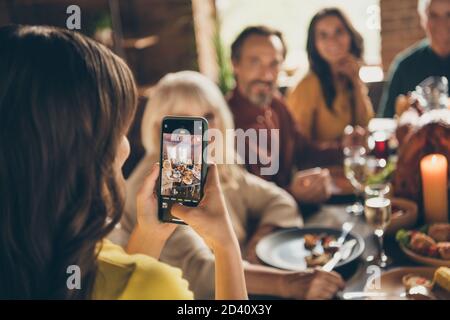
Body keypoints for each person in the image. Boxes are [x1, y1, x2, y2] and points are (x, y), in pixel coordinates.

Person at [0, 25, 246, 300]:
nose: (126, 149)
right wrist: (226, 246)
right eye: (118, 131)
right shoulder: (155, 285)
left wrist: (150, 234)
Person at [109, 71, 345, 300]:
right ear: (158, 127)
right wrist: (288, 283)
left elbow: (278, 201)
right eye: (185, 120)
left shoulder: (218, 165)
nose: (200, 131)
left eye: (208, 117)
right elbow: (199, 270)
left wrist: (259, 241)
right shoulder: (153, 187)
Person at [228, 26, 343, 204]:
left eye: (274, 64)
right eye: (255, 62)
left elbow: (305, 151)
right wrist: (292, 194)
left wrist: (347, 148)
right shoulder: (223, 122)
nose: (267, 75)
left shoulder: (276, 105)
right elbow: (239, 201)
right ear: (235, 64)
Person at [287, 8, 374, 142]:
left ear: (350, 35)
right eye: (323, 35)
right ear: (314, 44)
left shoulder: (347, 77)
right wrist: (340, 146)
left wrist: (356, 81)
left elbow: (365, 124)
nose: (332, 40)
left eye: (339, 32)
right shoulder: (307, 85)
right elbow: (298, 147)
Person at [378, 0, 450, 118]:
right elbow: (386, 120)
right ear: (423, 19)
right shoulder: (404, 66)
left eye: (449, 15)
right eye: (433, 16)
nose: (441, 23)